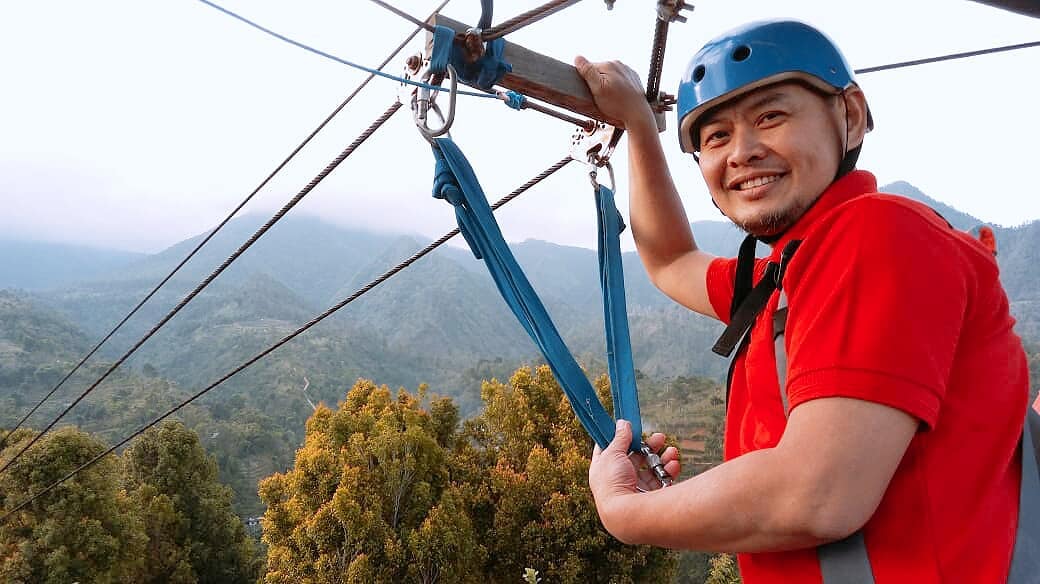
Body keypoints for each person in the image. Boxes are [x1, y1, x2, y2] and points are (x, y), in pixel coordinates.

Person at [575, 19, 1030, 582]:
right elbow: (671, 263)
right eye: (715, 137)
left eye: (771, 116)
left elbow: (818, 494)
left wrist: (627, 512)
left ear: (852, 115)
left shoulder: (878, 234)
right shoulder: (788, 277)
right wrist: (641, 129)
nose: (741, 152)